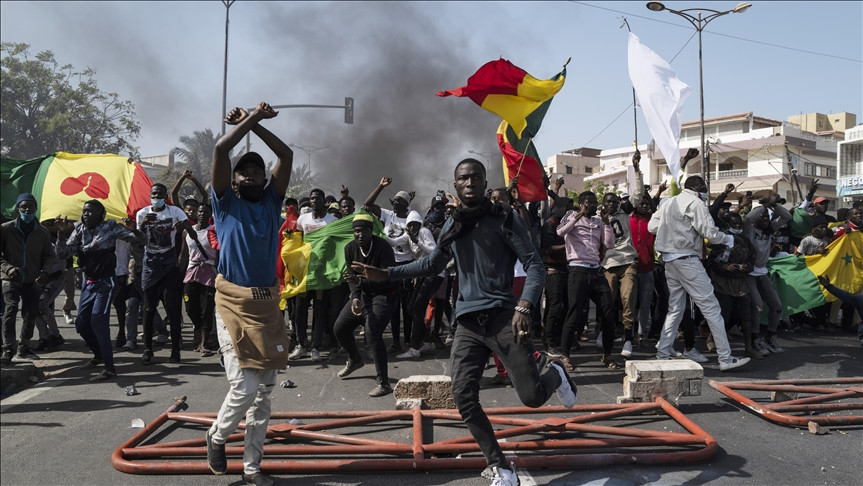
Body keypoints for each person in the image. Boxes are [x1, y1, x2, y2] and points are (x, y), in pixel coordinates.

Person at [352, 158, 576, 486]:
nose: (469, 183)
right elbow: (431, 265)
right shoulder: (453, 226)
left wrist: (525, 305)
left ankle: (556, 374)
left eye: (475, 178)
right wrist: (387, 273)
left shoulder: (505, 218)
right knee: (464, 397)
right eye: (463, 179)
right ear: (456, 185)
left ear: (485, 183)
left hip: (504, 318)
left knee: (531, 397)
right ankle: (499, 466)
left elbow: (534, 264)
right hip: (468, 324)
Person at [205, 102, 292, 486]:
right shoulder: (224, 205)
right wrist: (251, 121)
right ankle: (217, 436)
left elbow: (285, 155)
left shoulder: (273, 204)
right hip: (233, 303)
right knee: (245, 386)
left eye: (259, 173)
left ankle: (252, 467)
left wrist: (256, 125)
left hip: (268, 304)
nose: (253, 177)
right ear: (234, 181)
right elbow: (222, 151)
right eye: (245, 173)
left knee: (264, 396)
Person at [648, 173, 750, 371]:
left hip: (669, 260)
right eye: (704, 190)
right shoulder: (696, 204)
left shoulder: (668, 202)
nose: (705, 194)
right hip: (687, 260)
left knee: (675, 308)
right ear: (699, 188)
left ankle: (663, 353)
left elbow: (652, 227)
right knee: (711, 307)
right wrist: (729, 239)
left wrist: (675, 229)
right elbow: (710, 233)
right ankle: (725, 358)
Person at [54, 200, 144, 381]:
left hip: (106, 281)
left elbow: (142, 241)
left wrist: (133, 229)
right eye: (85, 211)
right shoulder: (79, 230)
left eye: (91, 212)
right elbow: (63, 254)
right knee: (81, 324)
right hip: (89, 283)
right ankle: (98, 355)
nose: (86, 214)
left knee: (98, 320)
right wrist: (61, 235)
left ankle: (110, 368)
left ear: (101, 215)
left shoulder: (110, 227)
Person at [334, 213, 398, 396]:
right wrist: (355, 297)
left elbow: (386, 279)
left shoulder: (383, 247)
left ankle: (383, 383)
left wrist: (361, 283)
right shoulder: (350, 249)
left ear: (371, 232)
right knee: (340, 328)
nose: (360, 235)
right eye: (356, 231)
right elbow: (351, 279)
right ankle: (355, 359)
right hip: (362, 294)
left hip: (385, 294)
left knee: (372, 333)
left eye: (364, 231)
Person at [557, 190, 621, 370]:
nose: (593, 206)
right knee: (574, 312)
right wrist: (579, 215)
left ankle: (607, 354)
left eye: (595, 202)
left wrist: (607, 223)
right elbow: (561, 231)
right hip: (578, 269)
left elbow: (609, 244)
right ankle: (565, 355)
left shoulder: (599, 221)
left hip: (596, 270)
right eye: (589, 203)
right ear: (582, 203)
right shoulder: (571, 215)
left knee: (609, 311)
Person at [136, 183, 197, 365]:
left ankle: (175, 350)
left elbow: (192, 234)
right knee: (148, 309)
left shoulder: (175, 212)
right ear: (150, 195)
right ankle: (148, 350)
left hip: (169, 262)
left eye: (160, 194)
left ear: (166, 196)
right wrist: (142, 226)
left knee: (172, 307)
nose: (157, 196)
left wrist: (185, 227)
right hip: (150, 263)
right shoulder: (142, 213)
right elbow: (137, 241)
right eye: (154, 194)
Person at [363, 177, 420, 353]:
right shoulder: (387, 214)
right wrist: (380, 186)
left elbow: (415, 245)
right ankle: (396, 342)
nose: (396, 204)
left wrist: (417, 272)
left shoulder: (411, 218)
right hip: (391, 268)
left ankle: (410, 341)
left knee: (408, 306)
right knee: (393, 308)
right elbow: (367, 205)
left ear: (406, 205)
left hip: (408, 266)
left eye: (400, 202)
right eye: (394, 201)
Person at [1, 193, 56, 364]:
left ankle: (24, 348)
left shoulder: (42, 232)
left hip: (33, 279)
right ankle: (8, 349)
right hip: (10, 278)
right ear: (18, 208)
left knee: (30, 313)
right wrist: (9, 269)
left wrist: (45, 272)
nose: (26, 210)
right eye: (23, 207)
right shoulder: (5, 229)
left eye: (30, 207)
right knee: (10, 310)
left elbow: (49, 256)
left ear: (36, 208)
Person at [600, 150, 644, 358]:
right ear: (603, 204)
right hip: (608, 263)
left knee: (627, 299)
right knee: (608, 301)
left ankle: (628, 338)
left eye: (614, 201)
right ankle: (603, 331)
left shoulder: (624, 211)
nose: (612, 204)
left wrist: (636, 169)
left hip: (627, 261)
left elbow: (638, 194)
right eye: (608, 201)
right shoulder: (597, 218)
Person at [290, 188, 338, 362]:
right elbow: (297, 242)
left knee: (319, 310)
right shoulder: (303, 220)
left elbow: (335, 246)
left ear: (324, 201)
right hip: (304, 272)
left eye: (317, 198)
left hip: (321, 274)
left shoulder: (332, 221)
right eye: (311, 198)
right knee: (300, 308)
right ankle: (301, 345)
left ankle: (316, 347)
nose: (314, 201)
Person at [181, 203, 219, 356]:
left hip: (209, 273)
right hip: (191, 273)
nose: (202, 214)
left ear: (210, 214)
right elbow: (184, 255)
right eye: (200, 211)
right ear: (196, 213)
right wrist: (179, 273)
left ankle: (204, 343)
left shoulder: (214, 231)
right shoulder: (187, 232)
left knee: (206, 310)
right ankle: (198, 332)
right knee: (190, 308)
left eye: (206, 212)